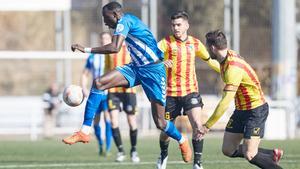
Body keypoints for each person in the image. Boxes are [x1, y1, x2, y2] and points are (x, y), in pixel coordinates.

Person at [63, 1, 192, 163]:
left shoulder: (125, 21)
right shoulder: (123, 23)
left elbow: (115, 48)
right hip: (136, 68)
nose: (104, 21)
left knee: (160, 122)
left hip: (154, 71)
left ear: (115, 15)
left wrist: (87, 49)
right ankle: (84, 132)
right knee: (98, 83)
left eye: (106, 17)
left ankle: (182, 140)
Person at [201, 30, 284, 169]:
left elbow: (225, 101)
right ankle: (271, 155)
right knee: (228, 149)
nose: (206, 50)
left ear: (213, 48)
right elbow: (219, 68)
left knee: (250, 154)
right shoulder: (225, 58)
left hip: (255, 110)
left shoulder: (233, 67)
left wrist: (207, 125)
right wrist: (206, 59)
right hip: (241, 110)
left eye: (207, 47)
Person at [156, 11, 220, 169]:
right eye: (173, 25)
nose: (175, 28)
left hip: (191, 92)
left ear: (186, 25)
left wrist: (227, 72)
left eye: (178, 25)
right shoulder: (165, 43)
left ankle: (197, 163)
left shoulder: (195, 43)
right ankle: (163, 155)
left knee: (198, 125)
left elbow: (210, 61)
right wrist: (161, 63)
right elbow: (150, 59)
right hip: (170, 94)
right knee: (165, 130)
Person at [63, 32, 113, 157]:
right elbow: (85, 74)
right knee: (95, 122)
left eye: (107, 38)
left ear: (111, 40)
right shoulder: (93, 57)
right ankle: (101, 145)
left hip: (109, 93)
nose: (104, 41)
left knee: (108, 118)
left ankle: (108, 148)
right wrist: (84, 88)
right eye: (103, 39)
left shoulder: (114, 55)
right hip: (96, 92)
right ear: (100, 41)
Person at [105, 39, 140, 163]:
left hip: (129, 90)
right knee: (113, 121)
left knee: (131, 121)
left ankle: (134, 150)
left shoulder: (133, 48)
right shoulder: (110, 49)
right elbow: (107, 69)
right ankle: (120, 151)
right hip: (113, 90)